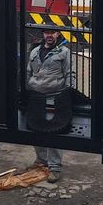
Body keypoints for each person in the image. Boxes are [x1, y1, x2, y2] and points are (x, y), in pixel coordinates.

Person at [27, 27, 71, 183]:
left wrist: (66, 94)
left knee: (53, 132)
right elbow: (29, 72)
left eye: (52, 32)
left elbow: (69, 73)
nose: (49, 35)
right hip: (36, 96)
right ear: (43, 34)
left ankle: (55, 167)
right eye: (46, 32)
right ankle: (41, 160)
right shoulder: (34, 51)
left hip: (54, 97)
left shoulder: (64, 52)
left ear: (58, 34)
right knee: (35, 128)